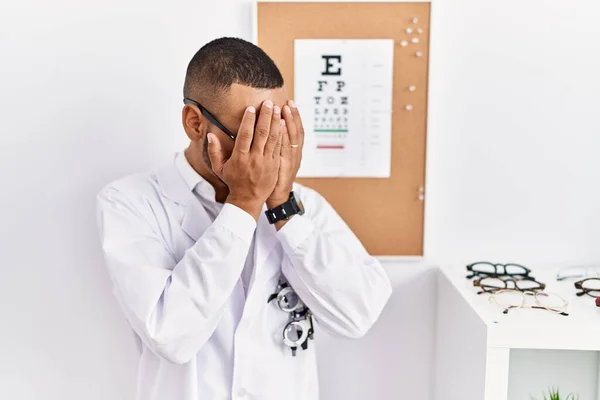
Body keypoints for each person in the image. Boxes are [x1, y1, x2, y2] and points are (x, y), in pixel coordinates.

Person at [96, 37, 392, 400]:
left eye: (277, 131)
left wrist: (283, 208)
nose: (266, 153)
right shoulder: (130, 202)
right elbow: (169, 334)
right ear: (194, 123)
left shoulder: (303, 206)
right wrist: (245, 202)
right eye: (251, 136)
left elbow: (358, 315)